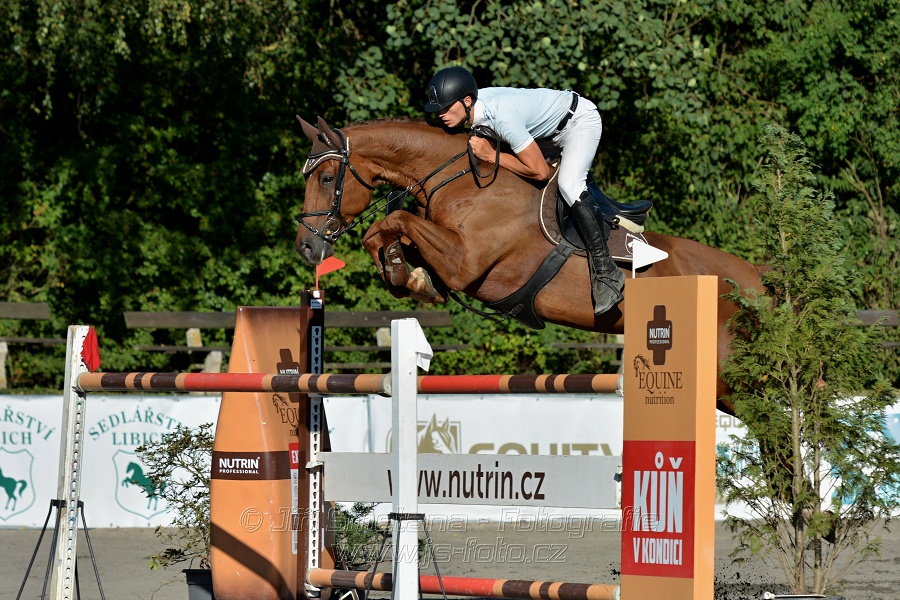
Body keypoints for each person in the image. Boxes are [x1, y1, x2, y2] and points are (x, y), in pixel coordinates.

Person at [424, 66, 624, 315]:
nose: (441, 114)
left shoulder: (502, 117)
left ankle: (606, 272)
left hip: (576, 123)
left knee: (569, 185)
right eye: (438, 109)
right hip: (543, 134)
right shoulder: (469, 109)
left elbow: (539, 171)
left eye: (445, 107)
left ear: (467, 101)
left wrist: (490, 154)